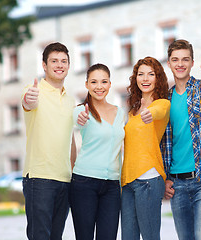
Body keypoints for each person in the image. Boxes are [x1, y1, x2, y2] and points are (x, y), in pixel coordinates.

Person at [162, 39, 201, 240]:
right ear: (169, 63)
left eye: (185, 59)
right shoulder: (165, 100)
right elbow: (163, 144)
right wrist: (165, 179)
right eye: (175, 59)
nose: (180, 64)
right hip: (177, 183)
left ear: (192, 62)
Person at [21, 42, 76, 240]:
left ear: (69, 66)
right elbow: (28, 102)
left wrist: (73, 172)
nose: (59, 65)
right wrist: (30, 99)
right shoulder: (33, 89)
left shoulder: (70, 101)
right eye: (54, 61)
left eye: (64, 61)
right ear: (44, 65)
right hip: (39, 178)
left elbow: (70, 141)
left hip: (64, 180)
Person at [69, 63, 125, 240]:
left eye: (104, 82)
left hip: (112, 186)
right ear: (86, 85)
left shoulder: (121, 113)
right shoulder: (80, 111)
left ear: (110, 84)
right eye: (94, 82)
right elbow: (65, 136)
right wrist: (80, 119)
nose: (99, 87)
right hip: (84, 183)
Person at [121, 56, 170, 240]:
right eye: (141, 74)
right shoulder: (132, 111)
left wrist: (149, 113)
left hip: (148, 180)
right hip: (128, 182)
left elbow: (158, 112)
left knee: (150, 236)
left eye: (151, 74)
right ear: (136, 79)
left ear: (158, 78)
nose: (145, 78)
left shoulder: (162, 104)